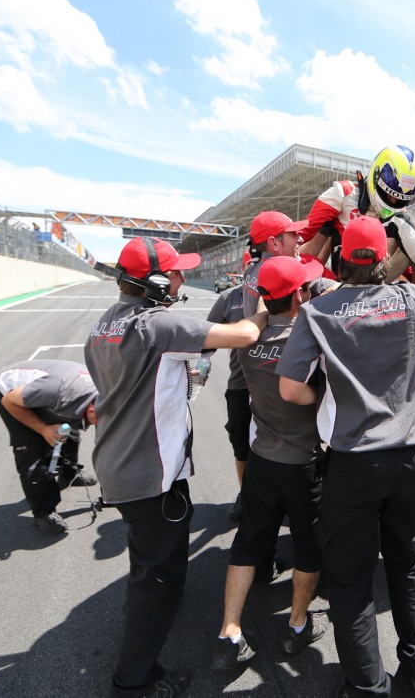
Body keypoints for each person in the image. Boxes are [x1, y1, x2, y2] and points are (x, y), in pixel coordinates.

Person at [277, 216, 415, 698]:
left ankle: (366, 685)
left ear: (340, 259)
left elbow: (291, 387)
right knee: (409, 559)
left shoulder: (320, 312)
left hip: (354, 460)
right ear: (382, 259)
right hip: (413, 454)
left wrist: (330, 397)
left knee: (352, 575)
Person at [85, 237, 268, 698]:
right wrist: (263, 301)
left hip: (117, 464)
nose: (181, 278)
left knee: (145, 561)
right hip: (150, 475)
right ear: (152, 281)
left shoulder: (103, 325)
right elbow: (246, 335)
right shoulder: (158, 326)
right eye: (175, 272)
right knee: (160, 582)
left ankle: (137, 620)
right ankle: (134, 681)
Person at [212, 255, 329, 670]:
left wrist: (263, 310)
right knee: (307, 545)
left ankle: (230, 631)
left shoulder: (246, 338)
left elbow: (260, 319)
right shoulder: (311, 336)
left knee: (247, 543)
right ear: (299, 294)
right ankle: (297, 626)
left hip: (262, 457)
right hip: (305, 463)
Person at [298, 144, 415, 285]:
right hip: (344, 277)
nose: (394, 203)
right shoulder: (342, 193)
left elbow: (412, 256)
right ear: (377, 178)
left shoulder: (400, 216)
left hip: (380, 274)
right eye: (389, 195)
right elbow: (300, 238)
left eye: (401, 199)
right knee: (408, 224)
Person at [0, 359, 99, 534]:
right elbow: (9, 401)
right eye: (97, 421)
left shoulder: (105, 392)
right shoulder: (59, 391)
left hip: (50, 396)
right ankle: (43, 512)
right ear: (92, 408)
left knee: (68, 431)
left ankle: (68, 472)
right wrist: (43, 429)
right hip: (12, 394)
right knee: (32, 451)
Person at [206, 283, 253, 521]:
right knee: (241, 443)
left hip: (281, 383)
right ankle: (246, 494)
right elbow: (207, 336)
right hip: (240, 385)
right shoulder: (229, 297)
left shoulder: (289, 286)